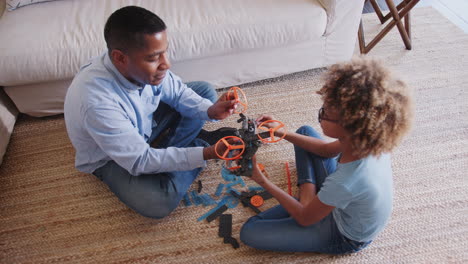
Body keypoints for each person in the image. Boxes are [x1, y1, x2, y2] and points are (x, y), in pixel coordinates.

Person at [64, 6, 237, 219]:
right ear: (120, 58)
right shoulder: (96, 102)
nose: (166, 64)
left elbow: (177, 92)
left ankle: (173, 154)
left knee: (204, 91)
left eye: (165, 51)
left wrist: (210, 111)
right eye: (154, 58)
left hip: (143, 128)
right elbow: (140, 161)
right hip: (111, 158)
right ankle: (197, 144)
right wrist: (207, 153)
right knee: (158, 203)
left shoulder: (139, 66)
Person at [240, 57, 414, 254]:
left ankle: (308, 198)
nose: (321, 116)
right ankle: (309, 196)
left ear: (349, 125)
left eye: (325, 113)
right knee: (304, 132)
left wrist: (261, 180)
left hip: (344, 234)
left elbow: (305, 218)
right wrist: (281, 132)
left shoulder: (346, 180)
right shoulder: (364, 140)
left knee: (250, 231)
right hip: (341, 197)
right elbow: (325, 151)